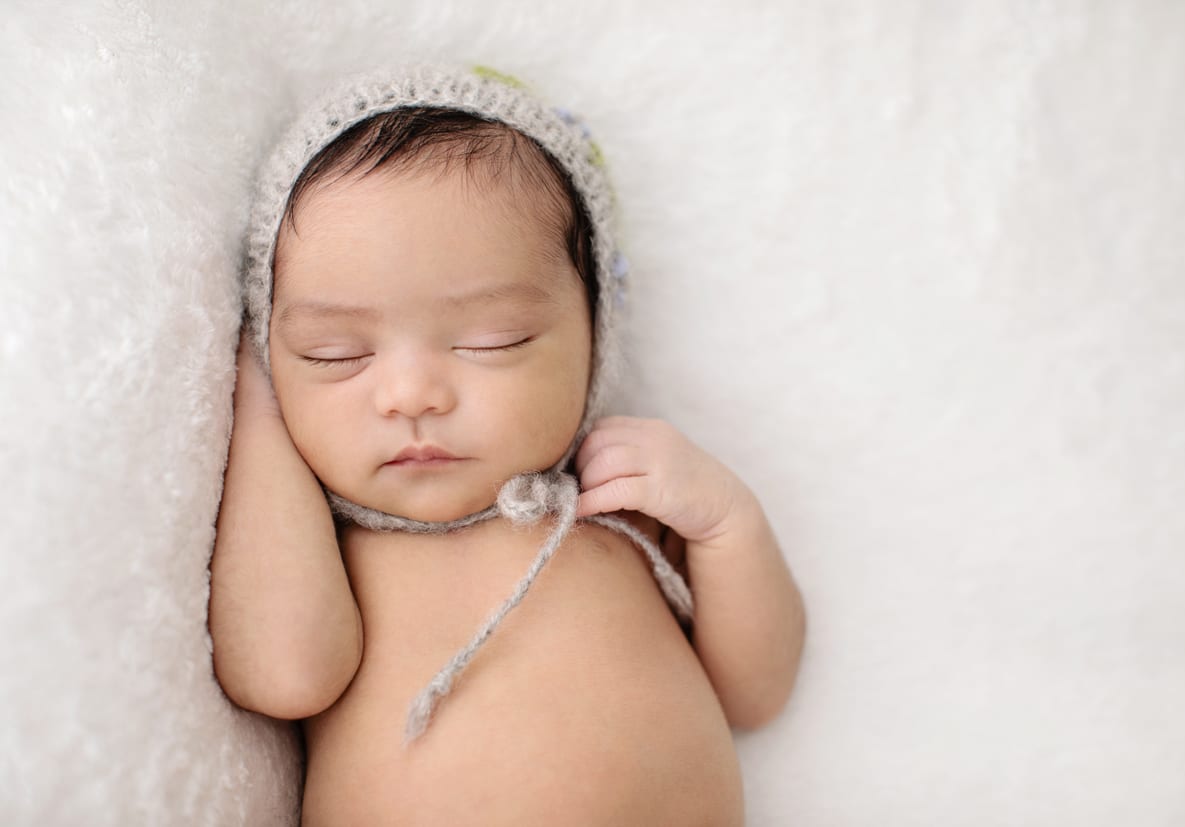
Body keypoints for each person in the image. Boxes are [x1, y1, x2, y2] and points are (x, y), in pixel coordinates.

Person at [208, 64, 804, 826]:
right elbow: (284, 672)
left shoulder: (613, 505)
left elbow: (757, 691)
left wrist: (726, 526)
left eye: (495, 340)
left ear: (595, 336)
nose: (411, 394)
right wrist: (260, 409)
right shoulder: (336, 544)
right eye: (332, 354)